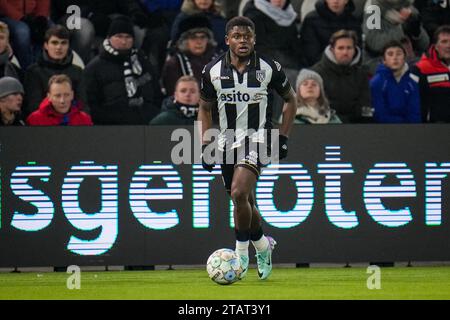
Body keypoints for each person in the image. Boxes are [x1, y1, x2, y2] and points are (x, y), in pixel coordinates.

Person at [198, 16, 297, 280]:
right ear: (227, 39)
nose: (243, 40)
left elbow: (291, 100)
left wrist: (283, 137)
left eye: (248, 36)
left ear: (254, 39)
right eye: (237, 36)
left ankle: (240, 254)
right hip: (227, 141)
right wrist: (206, 142)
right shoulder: (212, 70)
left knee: (240, 193)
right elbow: (204, 108)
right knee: (243, 200)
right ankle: (263, 246)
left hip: (259, 138)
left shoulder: (269, 68)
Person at [84, 15, 162, 125]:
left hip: (147, 123)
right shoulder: (94, 68)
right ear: (109, 38)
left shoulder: (143, 62)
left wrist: (151, 113)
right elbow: (91, 105)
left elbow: (156, 93)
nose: (124, 41)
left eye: (128, 37)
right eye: (119, 36)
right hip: (112, 128)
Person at [23, 25, 87, 117]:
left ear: (68, 46)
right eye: (54, 42)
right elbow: (33, 107)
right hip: (43, 127)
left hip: (74, 126)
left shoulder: (78, 72)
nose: (59, 47)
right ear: (46, 45)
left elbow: (83, 105)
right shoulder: (33, 72)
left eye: (63, 43)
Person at [311, 29, 371, 123]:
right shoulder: (316, 73)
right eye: (340, 48)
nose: (345, 52)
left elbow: (366, 106)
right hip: (327, 126)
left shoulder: (362, 73)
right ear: (332, 49)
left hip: (357, 127)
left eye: (349, 48)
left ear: (355, 49)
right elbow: (318, 108)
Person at [362, 0, 429, 75]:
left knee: (428, 68)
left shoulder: (407, 6)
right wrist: (401, 28)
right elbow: (374, 43)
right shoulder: (373, 8)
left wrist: (416, 30)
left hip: (410, 59)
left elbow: (424, 44)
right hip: (380, 61)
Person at [161, 14, 219, 97]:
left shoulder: (220, 61)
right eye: (193, 38)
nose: (199, 42)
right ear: (185, 41)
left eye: (203, 37)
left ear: (208, 40)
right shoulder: (175, 64)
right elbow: (172, 95)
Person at [370, 40, 421, 123]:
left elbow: (415, 114)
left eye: (399, 54)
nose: (395, 57)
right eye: (390, 54)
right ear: (384, 60)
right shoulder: (376, 82)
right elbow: (379, 115)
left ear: (404, 58)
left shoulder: (412, 83)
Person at [299, 0, 362, 68]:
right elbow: (310, 54)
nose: (335, 1)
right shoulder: (312, 20)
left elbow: (357, 50)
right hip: (320, 69)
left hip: (349, 68)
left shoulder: (354, 20)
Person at [410, 25, 450, 123]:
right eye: (444, 41)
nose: (449, 45)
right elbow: (413, 103)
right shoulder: (421, 69)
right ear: (436, 46)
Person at [0, 0, 51, 69]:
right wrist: (21, 17)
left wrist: (41, 17)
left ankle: (40, 67)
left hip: (34, 15)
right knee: (22, 32)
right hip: (8, 16)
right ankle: (27, 69)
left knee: (51, 30)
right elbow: (3, 4)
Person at [26, 74, 92, 126]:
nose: (62, 101)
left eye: (66, 95)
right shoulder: (35, 120)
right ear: (49, 97)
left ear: (72, 95)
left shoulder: (84, 119)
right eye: (57, 96)